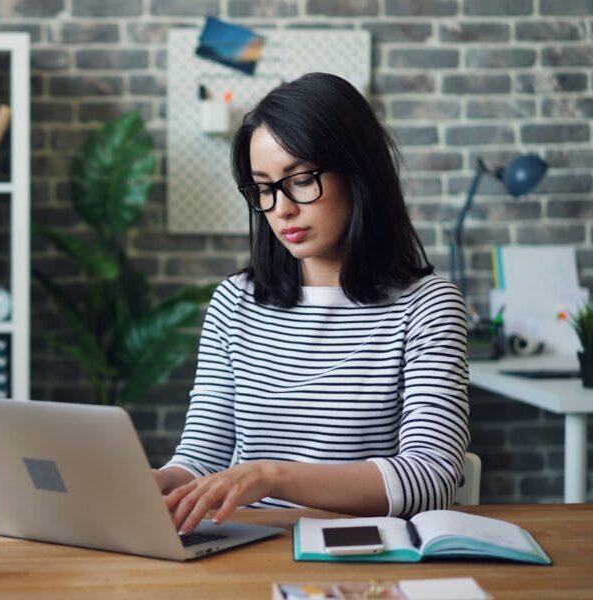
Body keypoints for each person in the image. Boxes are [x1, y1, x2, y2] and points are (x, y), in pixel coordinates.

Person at [153, 73, 469, 536]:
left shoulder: (427, 306)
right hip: (244, 549)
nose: (280, 209)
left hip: (364, 553)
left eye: (300, 180)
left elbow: (431, 476)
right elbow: (202, 457)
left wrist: (270, 475)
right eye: (263, 187)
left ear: (358, 174)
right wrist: (156, 483)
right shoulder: (234, 302)